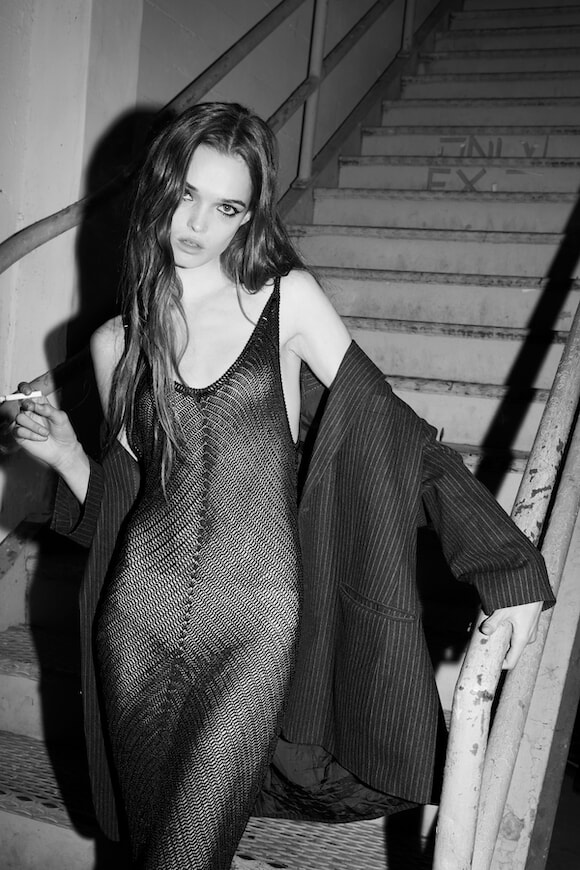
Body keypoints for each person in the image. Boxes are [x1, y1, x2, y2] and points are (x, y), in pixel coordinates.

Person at [10, 102, 554, 869]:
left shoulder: (283, 299)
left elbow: (395, 436)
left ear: (250, 215)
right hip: (136, 620)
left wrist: (507, 563)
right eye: (185, 194)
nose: (198, 222)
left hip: (255, 626)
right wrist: (68, 455)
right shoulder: (115, 342)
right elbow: (127, 511)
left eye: (226, 206)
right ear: (157, 188)